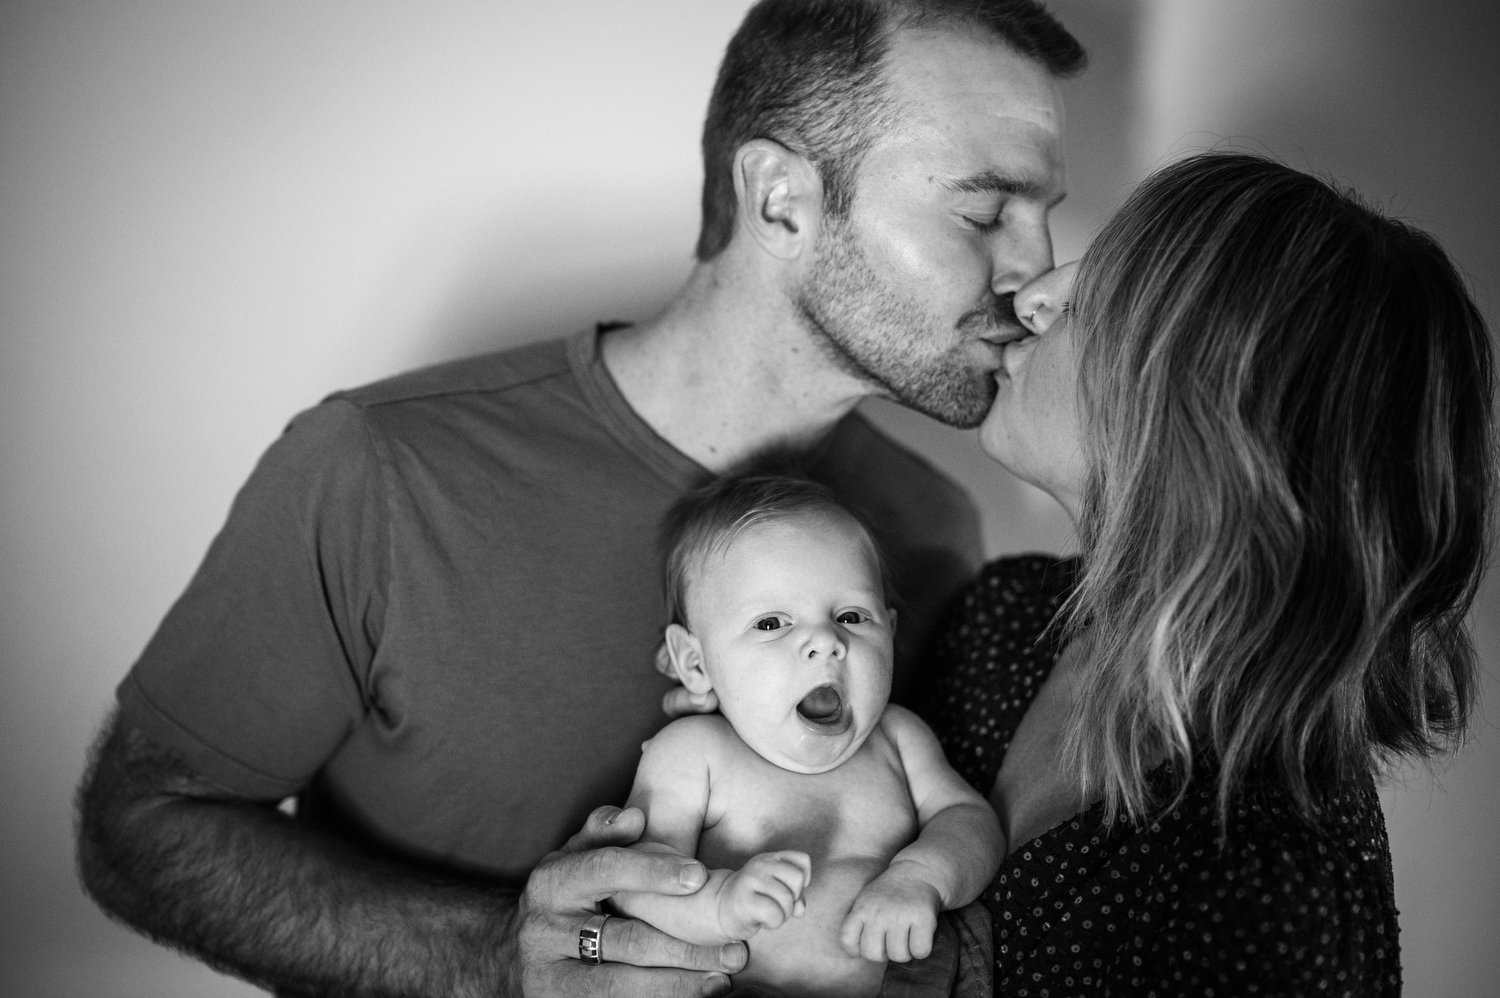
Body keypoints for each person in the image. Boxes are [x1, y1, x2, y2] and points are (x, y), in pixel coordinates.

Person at [73, 2, 1085, 996]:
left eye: (1046, 213)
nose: (1036, 268)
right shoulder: (381, 467)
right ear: (780, 198)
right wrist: (497, 956)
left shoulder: (931, 532)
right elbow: (142, 820)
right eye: (986, 209)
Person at [918, 151, 1494, 994]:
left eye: (1102, 296)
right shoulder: (1000, 615)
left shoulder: (1273, 882)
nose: (1036, 294)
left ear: (1197, 408)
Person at [614, 471, 1002, 996]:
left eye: (851, 615)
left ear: (889, 631)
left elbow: (971, 821)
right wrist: (720, 903)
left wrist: (922, 878)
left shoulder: (899, 739)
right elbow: (639, 881)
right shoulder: (692, 754)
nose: (826, 639)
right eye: (772, 623)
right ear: (696, 663)